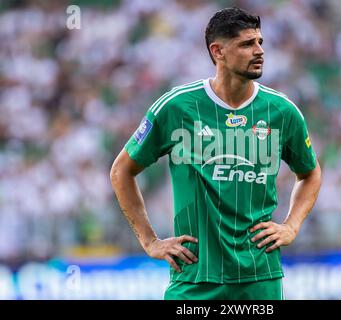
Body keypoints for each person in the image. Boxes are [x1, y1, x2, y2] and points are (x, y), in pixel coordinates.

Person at [110, 7, 322, 300]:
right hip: (194, 276)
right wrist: (150, 241)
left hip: (260, 278)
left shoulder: (282, 111)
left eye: (260, 42)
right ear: (218, 51)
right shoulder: (176, 107)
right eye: (247, 44)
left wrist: (291, 225)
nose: (259, 50)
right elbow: (122, 170)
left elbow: (310, 173)